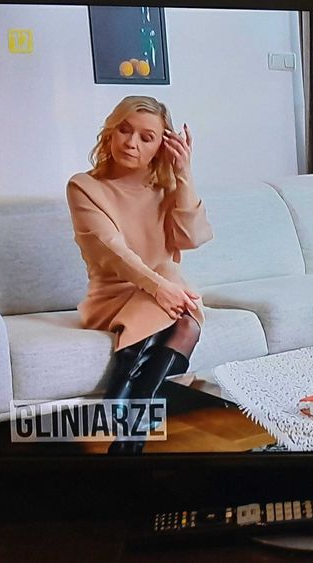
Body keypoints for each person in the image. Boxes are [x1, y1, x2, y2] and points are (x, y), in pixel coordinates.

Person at [67, 95, 213, 454]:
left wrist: (184, 174)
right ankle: (132, 422)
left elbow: (192, 238)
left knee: (186, 321)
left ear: (162, 145)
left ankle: (130, 424)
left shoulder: (166, 186)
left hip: (165, 298)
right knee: (173, 283)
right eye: (124, 130)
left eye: (146, 137)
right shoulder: (84, 187)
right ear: (110, 132)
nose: (131, 143)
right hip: (113, 299)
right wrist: (160, 286)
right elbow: (112, 250)